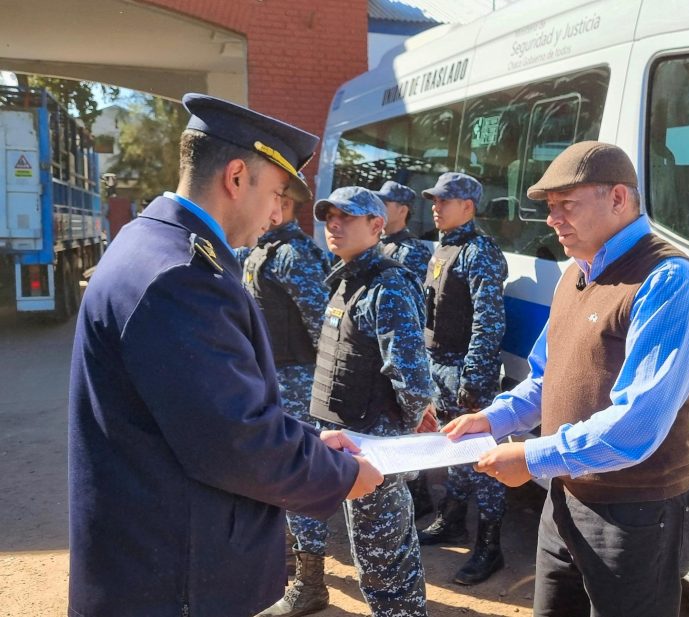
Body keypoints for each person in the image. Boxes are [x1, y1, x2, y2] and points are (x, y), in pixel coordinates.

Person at [67, 93, 384, 617]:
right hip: (176, 577)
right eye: (278, 193)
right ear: (237, 177)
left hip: (158, 558)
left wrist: (310, 442)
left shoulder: (152, 244)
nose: (279, 213)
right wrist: (343, 475)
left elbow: (211, 408)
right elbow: (235, 440)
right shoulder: (182, 277)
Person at [445, 141, 689, 617]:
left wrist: (531, 456)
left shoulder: (668, 279)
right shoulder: (576, 273)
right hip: (567, 496)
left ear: (618, 199)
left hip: (636, 515)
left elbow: (638, 424)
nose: (552, 219)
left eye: (566, 204)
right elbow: (546, 378)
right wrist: (493, 419)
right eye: (550, 207)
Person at [302, 186, 437, 617]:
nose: (334, 225)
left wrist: (408, 430)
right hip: (353, 440)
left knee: (386, 566)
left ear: (377, 226)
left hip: (377, 446)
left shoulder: (388, 285)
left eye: (347, 217)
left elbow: (413, 378)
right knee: (372, 559)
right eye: (329, 217)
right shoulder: (344, 278)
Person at [236, 179, 335, 617]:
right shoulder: (262, 250)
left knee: (298, 478)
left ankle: (310, 583)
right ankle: (290, 564)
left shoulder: (295, 255)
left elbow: (324, 328)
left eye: (276, 199)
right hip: (270, 379)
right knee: (275, 477)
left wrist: (322, 390)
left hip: (299, 382)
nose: (267, 207)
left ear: (287, 205)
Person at [417, 172, 509, 585]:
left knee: (484, 461)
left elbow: (488, 324)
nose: (435, 206)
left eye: (444, 201)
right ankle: (452, 521)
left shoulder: (479, 251)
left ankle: (490, 547)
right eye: (434, 199)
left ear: (468, 207)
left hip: (467, 374)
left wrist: (472, 380)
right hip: (440, 367)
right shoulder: (444, 248)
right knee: (451, 451)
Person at [375, 179, 436, 519]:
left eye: (386, 204)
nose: (379, 210)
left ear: (402, 210)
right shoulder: (381, 244)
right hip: (383, 350)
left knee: (411, 424)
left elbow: (412, 310)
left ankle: (419, 495)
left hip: (404, 345)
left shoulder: (411, 250)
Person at [377, 179, 433, 281]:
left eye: (384, 204)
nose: (378, 208)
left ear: (402, 210)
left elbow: (417, 292)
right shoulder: (372, 242)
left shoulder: (415, 251)